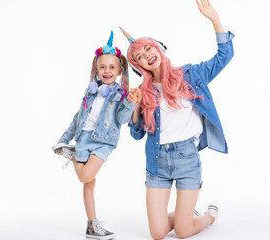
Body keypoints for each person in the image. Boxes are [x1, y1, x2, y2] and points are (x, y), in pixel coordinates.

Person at [121, 0, 234, 239]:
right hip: (156, 162)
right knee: (158, 233)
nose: (147, 56)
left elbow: (224, 56)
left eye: (148, 49)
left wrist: (215, 19)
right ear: (139, 66)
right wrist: (135, 104)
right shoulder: (144, 92)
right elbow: (136, 133)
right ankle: (186, 213)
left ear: (158, 48)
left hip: (186, 158)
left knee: (183, 232)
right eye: (140, 56)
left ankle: (208, 216)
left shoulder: (191, 74)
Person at [52, 31, 139, 239]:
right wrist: (64, 139)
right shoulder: (90, 91)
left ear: (119, 71)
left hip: (103, 142)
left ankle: (71, 155)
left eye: (111, 67)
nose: (106, 71)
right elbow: (78, 117)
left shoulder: (121, 94)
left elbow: (123, 118)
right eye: (102, 67)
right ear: (96, 69)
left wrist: (131, 102)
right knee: (89, 183)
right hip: (83, 137)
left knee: (85, 175)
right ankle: (92, 225)